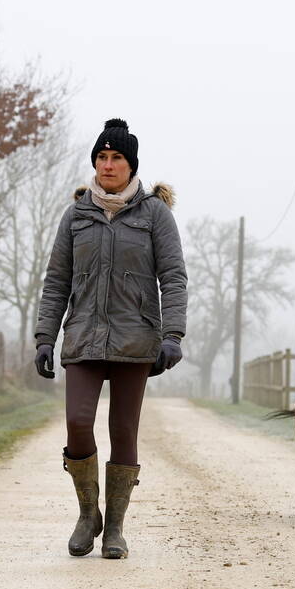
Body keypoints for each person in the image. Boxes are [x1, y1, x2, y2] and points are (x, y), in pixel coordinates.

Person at [33, 118, 187, 559]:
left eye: (116, 157)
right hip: (83, 336)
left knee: (124, 431)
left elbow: (173, 277)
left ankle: (115, 527)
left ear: (131, 163)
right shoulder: (77, 214)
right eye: (101, 157)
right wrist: (45, 337)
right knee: (78, 424)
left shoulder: (155, 213)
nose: (107, 165)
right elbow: (56, 280)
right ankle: (88, 514)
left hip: (137, 339)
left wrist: (172, 334)